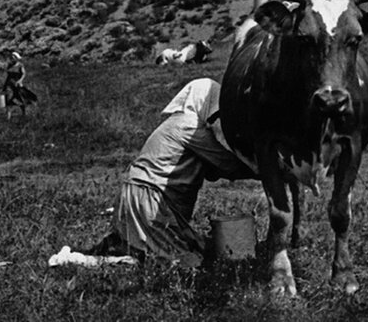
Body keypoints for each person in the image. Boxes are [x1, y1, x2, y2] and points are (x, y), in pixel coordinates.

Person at [86, 78, 256, 267]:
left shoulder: (178, 122)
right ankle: (96, 261)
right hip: (150, 199)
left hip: (140, 194)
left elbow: (211, 168)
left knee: (193, 249)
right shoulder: (189, 127)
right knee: (185, 262)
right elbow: (226, 163)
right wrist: (263, 170)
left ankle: (125, 250)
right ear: (204, 103)